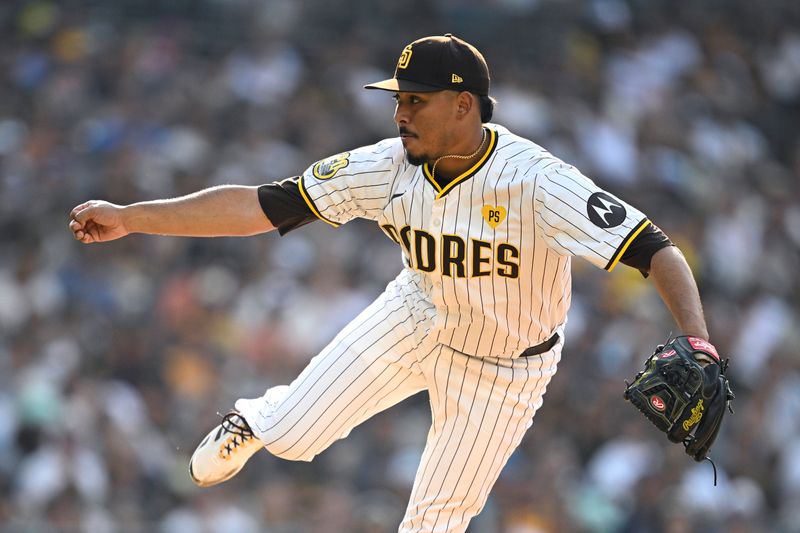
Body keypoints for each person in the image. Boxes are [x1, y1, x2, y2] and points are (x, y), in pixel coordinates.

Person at [69, 34, 712, 533]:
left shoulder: (536, 181)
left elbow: (657, 250)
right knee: (293, 436)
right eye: (398, 99)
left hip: (505, 370)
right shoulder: (386, 166)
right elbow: (261, 205)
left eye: (416, 101)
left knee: (433, 525)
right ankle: (255, 420)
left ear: (465, 107)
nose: (400, 113)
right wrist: (132, 219)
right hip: (416, 314)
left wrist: (698, 342)